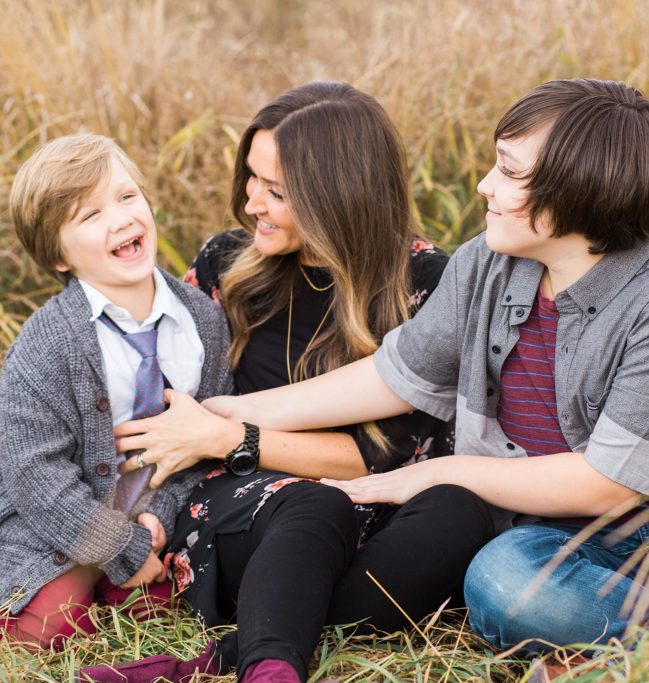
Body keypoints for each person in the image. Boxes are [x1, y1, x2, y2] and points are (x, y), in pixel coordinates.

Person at [200, 79, 649, 655]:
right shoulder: (485, 263)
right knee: (501, 582)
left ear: (579, 190)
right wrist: (229, 414)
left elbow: (610, 483)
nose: (485, 185)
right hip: (548, 537)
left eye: (510, 171)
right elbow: (394, 374)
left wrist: (441, 474)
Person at [87, 82, 496, 683]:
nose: (252, 202)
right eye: (251, 178)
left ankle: (225, 656)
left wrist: (227, 435)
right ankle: (271, 664)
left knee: (462, 512)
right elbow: (158, 400)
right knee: (311, 504)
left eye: (277, 191)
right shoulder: (227, 266)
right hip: (247, 509)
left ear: (340, 197)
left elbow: (384, 459)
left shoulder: (426, 285)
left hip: (371, 507)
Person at [0, 133, 232, 655]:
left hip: (143, 521)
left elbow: (202, 442)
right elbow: (36, 477)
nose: (122, 219)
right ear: (59, 257)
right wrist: (118, 547)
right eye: (90, 215)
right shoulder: (47, 345)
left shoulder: (203, 320)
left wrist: (162, 512)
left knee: (156, 606)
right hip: (47, 521)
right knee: (57, 628)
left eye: (128, 197)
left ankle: (109, 578)